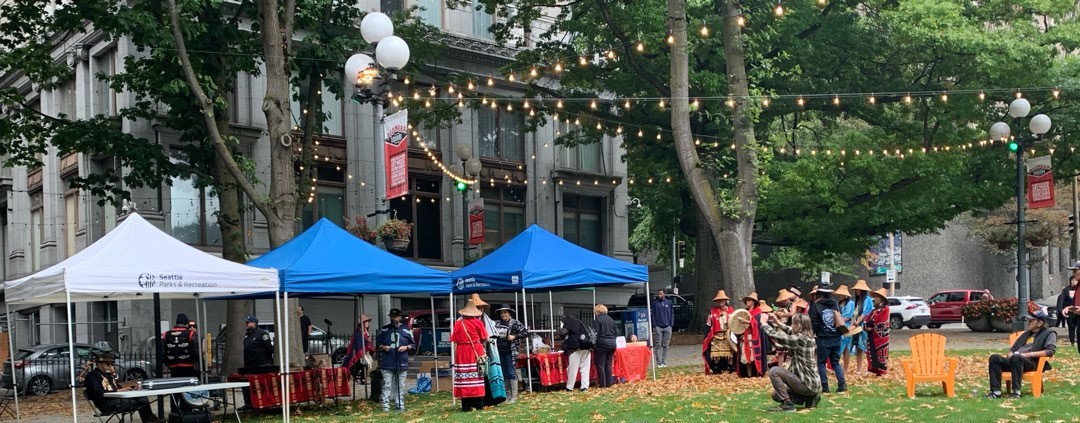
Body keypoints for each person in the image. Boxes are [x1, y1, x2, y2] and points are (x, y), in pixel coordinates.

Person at [986, 308, 1057, 398]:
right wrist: (1010, 354)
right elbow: (1012, 349)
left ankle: (1016, 392)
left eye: (1031, 321)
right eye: (1028, 320)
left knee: (1017, 358)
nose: (1028, 322)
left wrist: (1027, 355)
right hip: (1015, 360)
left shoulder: (1049, 333)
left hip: (1031, 362)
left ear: (1040, 323)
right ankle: (996, 392)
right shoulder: (1026, 334)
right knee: (994, 358)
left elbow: (1050, 351)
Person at [761, 314, 822, 412]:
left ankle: (788, 405)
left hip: (807, 384)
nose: (792, 325)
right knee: (776, 395)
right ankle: (810, 398)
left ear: (799, 325)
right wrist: (777, 322)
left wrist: (763, 323)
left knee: (774, 371)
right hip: (812, 384)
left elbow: (776, 336)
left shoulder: (800, 339)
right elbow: (790, 331)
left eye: (793, 323)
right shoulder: (808, 337)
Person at [84, 352, 162, 423]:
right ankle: (150, 420)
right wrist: (117, 391)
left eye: (112, 364)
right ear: (99, 364)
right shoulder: (93, 375)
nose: (110, 366)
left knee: (142, 398)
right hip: (106, 403)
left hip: (115, 399)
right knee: (139, 402)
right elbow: (98, 392)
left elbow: (117, 386)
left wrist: (132, 385)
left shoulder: (109, 375)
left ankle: (150, 419)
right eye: (108, 364)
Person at [808, 282, 847, 394]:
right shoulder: (835, 304)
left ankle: (825, 387)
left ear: (819, 293)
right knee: (835, 362)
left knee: (821, 363)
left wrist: (812, 334)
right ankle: (842, 383)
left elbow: (814, 323)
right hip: (836, 337)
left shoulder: (816, 306)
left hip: (823, 338)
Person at [451, 300, 488, 411]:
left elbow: (454, 340)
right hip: (475, 350)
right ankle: (479, 404)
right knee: (477, 376)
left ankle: (465, 406)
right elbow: (484, 337)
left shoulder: (458, 324)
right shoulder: (478, 323)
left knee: (464, 378)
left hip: (461, 351)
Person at [376, 308, 415, 412]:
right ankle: (385, 406)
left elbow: (413, 344)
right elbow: (377, 344)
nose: (393, 319)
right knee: (387, 384)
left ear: (400, 317)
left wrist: (406, 347)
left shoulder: (406, 329)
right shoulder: (384, 329)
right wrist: (383, 347)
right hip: (387, 362)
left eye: (395, 316)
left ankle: (400, 404)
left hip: (401, 361)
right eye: (391, 317)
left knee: (400, 385)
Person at [493, 305, 528, 402]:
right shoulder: (497, 323)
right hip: (499, 351)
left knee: (511, 373)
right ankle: (507, 396)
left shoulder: (515, 323)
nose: (503, 314)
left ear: (509, 313)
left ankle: (514, 396)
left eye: (505, 312)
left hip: (511, 352)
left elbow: (525, 332)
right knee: (504, 373)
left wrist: (514, 336)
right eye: (502, 313)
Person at [239, 315, 273, 411]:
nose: (246, 323)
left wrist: (264, 360)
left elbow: (269, 349)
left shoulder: (262, 334)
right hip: (249, 364)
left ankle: (264, 405)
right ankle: (248, 403)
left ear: (254, 323)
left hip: (260, 365)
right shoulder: (248, 334)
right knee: (246, 384)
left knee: (260, 385)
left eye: (248, 322)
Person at [736, 292, 769, 378]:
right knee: (746, 357)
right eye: (747, 300)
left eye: (749, 300)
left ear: (754, 302)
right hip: (745, 337)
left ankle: (758, 372)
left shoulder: (758, 312)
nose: (747, 301)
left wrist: (746, 321)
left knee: (754, 356)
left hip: (754, 337)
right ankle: (749, 374)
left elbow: (757, 324)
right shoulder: (745, 312)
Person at [702, 290, 736, 374]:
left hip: (728, 335)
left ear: (725, 300)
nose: (720, 302)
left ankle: (730, 368)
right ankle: (716, 368)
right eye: (718, 300)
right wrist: (706, 336)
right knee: (715, 354)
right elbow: (708, 324)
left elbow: (735, 324)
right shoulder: (712, 311)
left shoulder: (731, 311)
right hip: (716, 335)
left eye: (722, 300)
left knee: (729, 353)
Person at [558, 314, 591, 391]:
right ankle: (585, 386)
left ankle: (569, 387)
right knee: (585, 368)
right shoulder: (580, 322)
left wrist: (561, 327)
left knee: (573, 368)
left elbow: (562, 334)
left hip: (574, 348)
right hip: (586, 346)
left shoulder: (568, 322)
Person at [162, 313, 199, 378]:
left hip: (173, 366)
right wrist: (200, 365)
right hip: (188, 365)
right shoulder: (191, 334)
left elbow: (162, 351)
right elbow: (196, 351)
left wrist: (166, 364)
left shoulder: (166, 334)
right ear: (186, 324)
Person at [849, 279, 874, 374]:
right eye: (856, 290)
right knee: (858, 348)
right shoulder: (857, 301)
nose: (857, 291)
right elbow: (854, 314)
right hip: (856, 326)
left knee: (863, 347)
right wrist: (853, 324)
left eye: (858, 289)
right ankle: (858, 368)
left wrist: (856, 323)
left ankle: (865, 368)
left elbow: (865, 314)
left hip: (863, 327)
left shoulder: (867, 300)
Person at [342, 314, 375, 383]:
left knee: (365, 365)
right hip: (359, 351)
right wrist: (362, 351)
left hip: (365, 352)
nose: (368, 323)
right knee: (363, 364)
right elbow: (359, 343)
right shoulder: (359, 332)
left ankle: (361, 378)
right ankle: (360, 378)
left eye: (368, 322)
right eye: (366, 322)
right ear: (362, 323)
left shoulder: (365, 332)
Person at [592, 304, 619, 388]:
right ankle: (609, 383)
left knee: (600, 364)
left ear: (597, 312)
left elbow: (595, 333)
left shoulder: (597, 320)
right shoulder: (611, 320)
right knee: (608, 364)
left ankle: (602, 384)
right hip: (612, 344)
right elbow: (617, 332)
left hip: (602, 344)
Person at [866, 288, 891, 375]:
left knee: (881, 351)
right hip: (873, 334)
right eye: (875, 297)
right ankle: (876, 369)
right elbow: (868, 318)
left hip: (881, 335)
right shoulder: (875, 310)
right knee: (873, 351)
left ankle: (882, 370)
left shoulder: (886, 308)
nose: (875, 299)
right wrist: (866, 325)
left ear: (881, 298)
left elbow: (880, 320)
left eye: (877, 297)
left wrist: (871, 325)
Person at [651, 289, 674, 367]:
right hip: (658, 327)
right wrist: (655, 325)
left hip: (667, 326)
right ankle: (659, 362)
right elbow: (653, 314)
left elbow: (671, 314)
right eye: (658, 294)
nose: (659, 295)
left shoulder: (669, 302)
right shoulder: (655, 303)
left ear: (664, 294)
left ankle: (664, 362)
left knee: (666, 345)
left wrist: (671, 324)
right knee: (658, 345)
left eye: (661, 294)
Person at [835, 285, 855, 370]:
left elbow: (848, 316)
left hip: (846, 327)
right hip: (839, 326)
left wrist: (838, 320)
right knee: (840, 347)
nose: (840, 296)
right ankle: (839, 367)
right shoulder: (837, 303)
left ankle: (845, 368)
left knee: (846, 347)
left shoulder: (851, 303)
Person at [1059, 270, 1079, 346]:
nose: (1074, 281)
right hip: (1070, 312)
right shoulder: (1066, 290)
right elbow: (1062, 299)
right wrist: (1061, 310)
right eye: (1072, 280)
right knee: (1071, 327)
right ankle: (1072, 342)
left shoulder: (1078, 289)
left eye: (1075, 280)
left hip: (1078, 311)